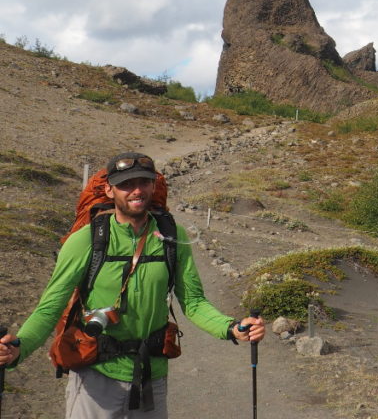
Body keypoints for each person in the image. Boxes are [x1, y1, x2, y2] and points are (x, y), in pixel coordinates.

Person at [0, 152, 265, 418]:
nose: (136, 190)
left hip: (151, 375)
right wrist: (19, 348)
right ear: (109, 190)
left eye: (144, 182)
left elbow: (193, 302)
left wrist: (231, 328)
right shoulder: (87, 240)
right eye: (126, 184)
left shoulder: (172, 236)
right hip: (96, 374)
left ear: (153, 186)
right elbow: (51, 306)